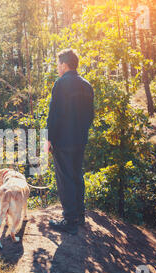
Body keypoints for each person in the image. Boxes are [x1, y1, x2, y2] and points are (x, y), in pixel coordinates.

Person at [45, 49, 94, 235]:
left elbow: (54, 114)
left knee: (65, 178)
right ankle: (80, 216)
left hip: (63, 140)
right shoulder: (87, 85)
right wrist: (82, 133)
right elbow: (90, 116)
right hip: (80, 139)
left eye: (58, 64)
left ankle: (69, 219)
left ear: (64, 65)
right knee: (76, 176)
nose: (57, 68)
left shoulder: (61, 83)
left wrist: (49, 139)